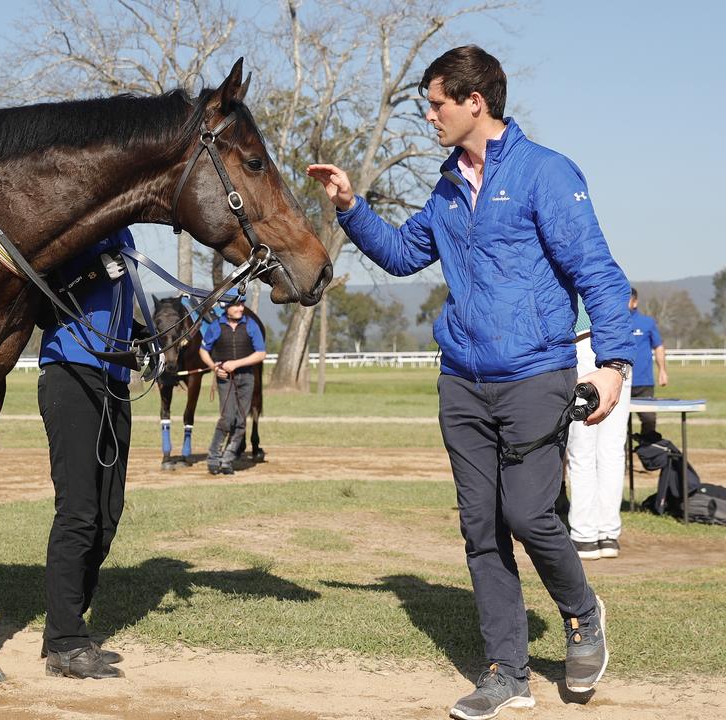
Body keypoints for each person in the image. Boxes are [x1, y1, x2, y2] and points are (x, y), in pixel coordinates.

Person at [307, 45, 634, 719]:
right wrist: (349, 206)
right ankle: (506, 673)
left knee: (527, 513)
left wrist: (612, 365)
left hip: (535, 373)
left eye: (435, 103)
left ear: (473, 102)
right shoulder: (447, 187)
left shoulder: (546, 174)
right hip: (461, 380)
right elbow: (401, 255)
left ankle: (581, 614)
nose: (428, 116)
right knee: (480, 527)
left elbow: (598, 273)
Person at [37, 227, 135, 680]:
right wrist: (91, 270)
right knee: (78, 511)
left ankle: (68, 631)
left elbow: (114, 310)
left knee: (107, 515)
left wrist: (139, 341)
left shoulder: (125, 232)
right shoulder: (78, 218)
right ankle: (65, 641)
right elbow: (40, 302)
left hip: (114, 379)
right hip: (71, 371)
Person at [566, 307, 632, 560]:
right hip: (618, 349)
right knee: (612, 450)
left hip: (583, 343)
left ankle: (584, 535)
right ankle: (608, 534)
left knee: (582, 450)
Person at [199, 293, 266, 475]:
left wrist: (236, 364)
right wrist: (214, 367)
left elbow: (261, 354)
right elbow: (203, 350)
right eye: (236, 305)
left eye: (242, 305)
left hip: (246, 378)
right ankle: (213, 458)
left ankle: (228, 459)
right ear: (225, 307)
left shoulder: (250, 325)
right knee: (227, 418)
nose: (241, 308)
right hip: (225, 379)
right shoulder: (215, 327)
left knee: (241, 420)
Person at [627, 288, 668, 438]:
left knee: (649, 420)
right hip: (620, 382)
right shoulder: (615, 323)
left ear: (635, 302)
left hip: (643, 382)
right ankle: (621, 458)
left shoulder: (647, 323)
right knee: (616, 425)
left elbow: (658, 347)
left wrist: (662, 371)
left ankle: (647, 453)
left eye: (627, 299)